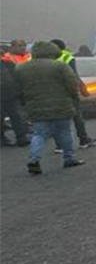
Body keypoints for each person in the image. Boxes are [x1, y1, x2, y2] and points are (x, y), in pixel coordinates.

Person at [14, 41, 85, 173]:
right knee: (64, 132)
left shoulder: (21, 68)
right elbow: (72, 85)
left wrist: (25, 103)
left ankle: (33, 159)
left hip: (35, 106)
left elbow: (18, 90)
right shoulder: (60, 66)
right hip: (61, 105)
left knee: (39, 134)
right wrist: (73, 97)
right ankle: (69, 158)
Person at [51, 39, 96, 149]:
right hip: (66, 91)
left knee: (57, 119)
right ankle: (83, 139)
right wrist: (80, 90)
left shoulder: (40, 58)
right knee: (76, 116)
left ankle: (59, 145)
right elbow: (73, 76)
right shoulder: (67, 57)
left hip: (50, 92)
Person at [1, 55, 30, 146]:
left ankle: (20, 138)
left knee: (16, 116)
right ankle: (20, 138)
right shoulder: (8, 63)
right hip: (11, 93)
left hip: (10, 94)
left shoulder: (8, 63)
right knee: (16, 116)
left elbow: (17, 78)